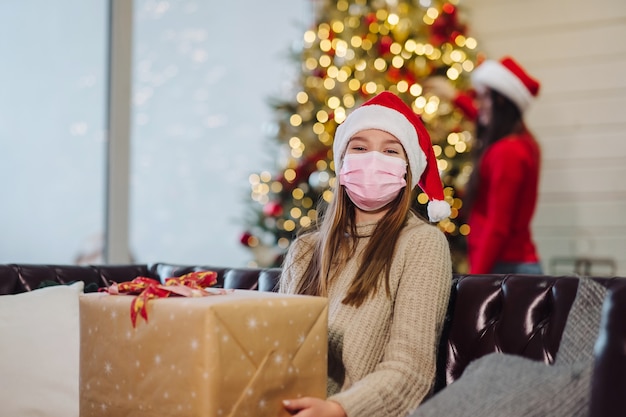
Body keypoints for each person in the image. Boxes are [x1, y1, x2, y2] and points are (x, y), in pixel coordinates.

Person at [278, 91, 453, 417]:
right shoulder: (305, 250)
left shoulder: (422, 245)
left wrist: (338, 409)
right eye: (359, 148)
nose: (373, 160)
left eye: (390, 151)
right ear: (342, 163)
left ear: (407, 170)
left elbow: (410, 371)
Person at [426, 56, 543, 275]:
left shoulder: (507, 153)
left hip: (506, 268)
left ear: (500, 102)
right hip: (511, 264)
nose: (479, 105)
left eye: (483, 98)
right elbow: (482, 117)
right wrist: (455, 97)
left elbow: (498, 226)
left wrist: (476, 278)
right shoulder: (521, 141)